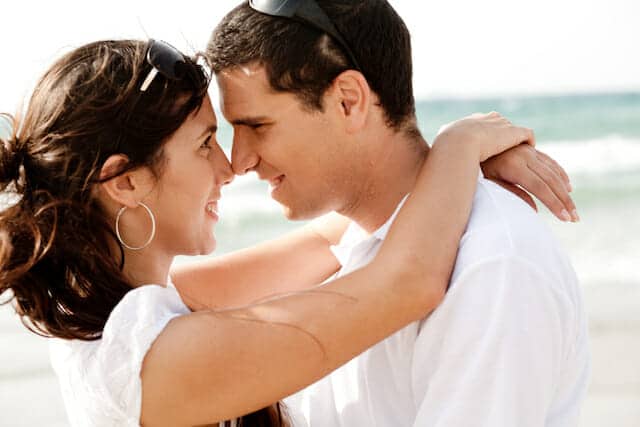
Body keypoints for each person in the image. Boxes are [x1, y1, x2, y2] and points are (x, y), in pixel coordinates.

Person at [0, 39, 564, 426]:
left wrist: (442, 167)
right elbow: (405, 284)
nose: (229, 167)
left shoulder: (133, 311)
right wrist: (461, 145)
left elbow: (332, 240)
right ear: (123, 183)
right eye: (204, 145)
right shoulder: (145, 359)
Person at [203, 1, 590, 426]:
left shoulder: (493, 265)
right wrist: (455, 147)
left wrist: (455, 149)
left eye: (257, 126)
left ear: (348, 102)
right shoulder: (346, 251)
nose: (239, 161)